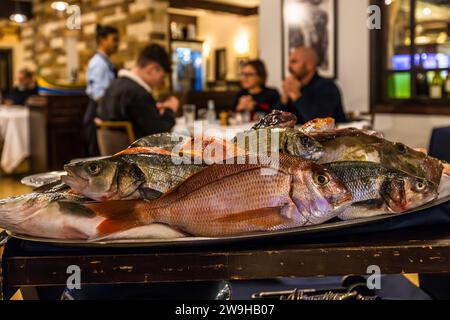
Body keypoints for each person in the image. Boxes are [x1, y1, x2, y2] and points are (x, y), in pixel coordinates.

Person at [97, 44, 179, 139]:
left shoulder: (113, 86)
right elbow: (159, 136)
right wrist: (170, 110)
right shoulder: (139, 94)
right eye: (162, 77)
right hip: (137, 153)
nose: (161, 82)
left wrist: (153, 111)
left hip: (115, 153)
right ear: (151, 69)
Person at [277, 47, 346, 124]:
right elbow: (275, 122)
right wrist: (284, 99)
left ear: (310, 65)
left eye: (294, 61)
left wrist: (296, 95)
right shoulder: (296, 86)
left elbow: (319, 123)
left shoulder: (328, 87)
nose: (289, 67)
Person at [84, 24, 119, 156]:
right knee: (97, 157)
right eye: (114, 40)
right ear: (102, 40)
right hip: (97, 111)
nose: (117, 44)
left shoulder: (105, 62)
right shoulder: (99, 63)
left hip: (99, 110)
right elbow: (98, 94)